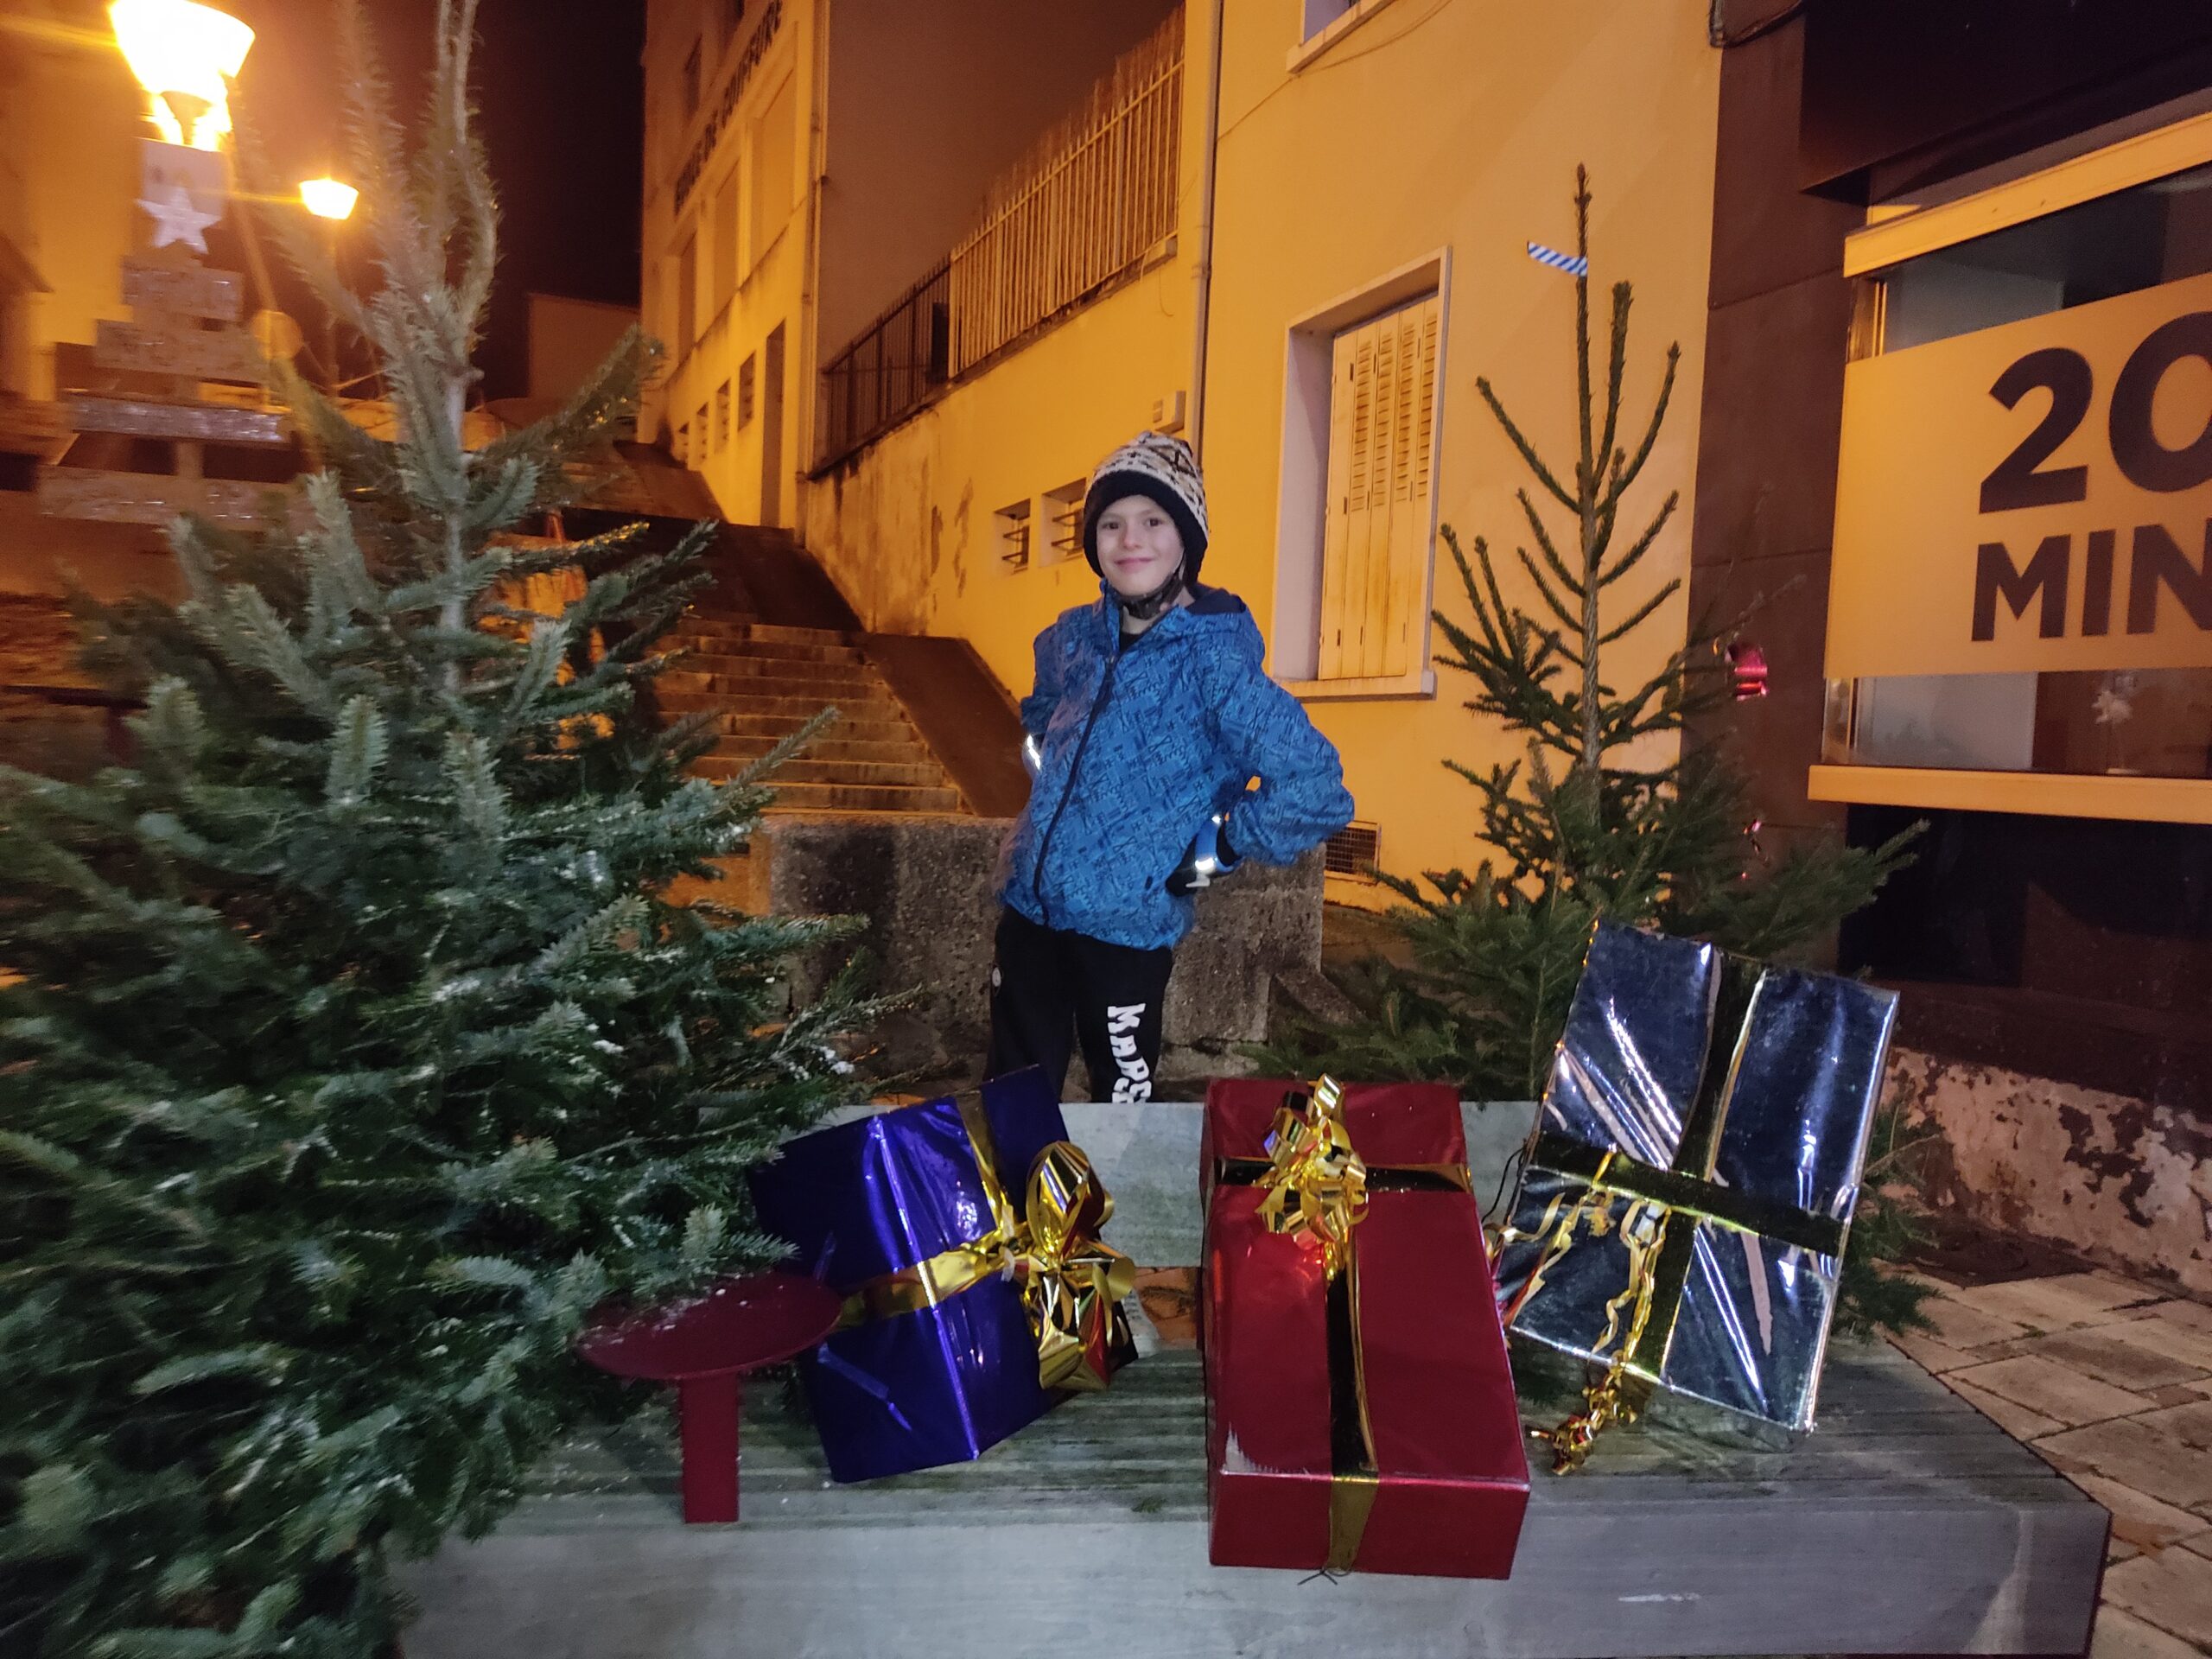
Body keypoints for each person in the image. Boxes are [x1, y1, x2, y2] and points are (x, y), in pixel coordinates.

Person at [987, 431, 1354, 1103]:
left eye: (1154, 521)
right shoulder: (1072, 638)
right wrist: (1052, 808)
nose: (1131, 540)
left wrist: (1216, 848)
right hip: (1030, 913)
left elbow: (1316, 788)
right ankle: (1018, 1177)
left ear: (1187, 538)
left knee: (1120, 1108)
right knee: (1013, 1096)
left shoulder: (1216, 664)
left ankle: (1115, 1179)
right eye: (1112, 524)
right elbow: (1041, 715)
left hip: (1125, 933)